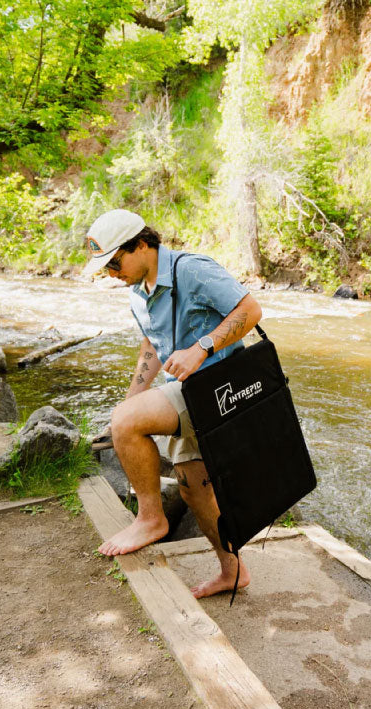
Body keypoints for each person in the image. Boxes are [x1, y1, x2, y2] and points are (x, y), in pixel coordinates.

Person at [83, 208, 262, 599]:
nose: (112, 273)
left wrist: (201, 348)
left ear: (143, 245)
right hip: (187, 391)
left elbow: (251, 311)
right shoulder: (137, 292)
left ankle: (150, 519)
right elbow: (152, 343)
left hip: (220, 386)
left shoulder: (193, 269)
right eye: (106, 268)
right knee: (193, 490)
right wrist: (134, 395)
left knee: (127, 422)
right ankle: (233, 571)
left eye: (115, 262)